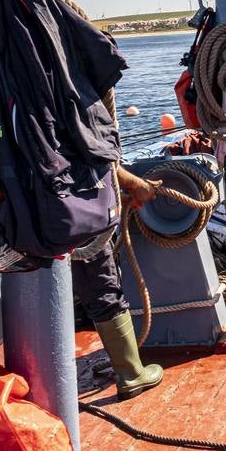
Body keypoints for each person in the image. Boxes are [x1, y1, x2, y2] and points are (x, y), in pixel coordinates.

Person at [70, 165, 166, 400]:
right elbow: (98, 156)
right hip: (78, 206)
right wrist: (137, 186)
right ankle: (130, 373)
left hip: (35, 207)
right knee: (101, 282)